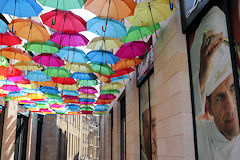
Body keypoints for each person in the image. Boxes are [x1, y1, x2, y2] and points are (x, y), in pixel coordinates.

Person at [190, 6, 240, 160]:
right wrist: (202, 78)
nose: (231, 107)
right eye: (219, 97)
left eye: (233, 89)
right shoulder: (201, 138)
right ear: (208, 107)